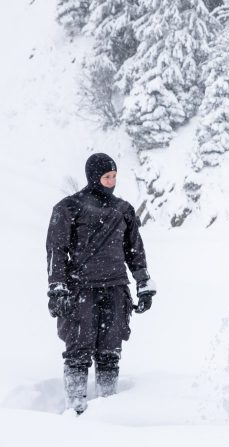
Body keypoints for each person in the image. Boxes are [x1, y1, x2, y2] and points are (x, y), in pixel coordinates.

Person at [45, 152, 156, 414]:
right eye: (107, 176)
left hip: (116, 289)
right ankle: (76, 407)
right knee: (78, 352)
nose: (111, 181)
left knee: (110, 352)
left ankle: (108, 409)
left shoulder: (123, 210)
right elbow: (56, 250)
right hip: (80, 289)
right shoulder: (69, 207)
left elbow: (134, 252)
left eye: (115, 176)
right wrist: (57, 287)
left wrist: (143, 283)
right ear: (94, 177)